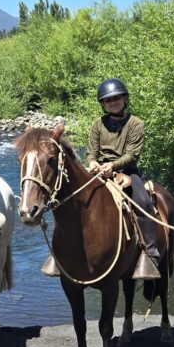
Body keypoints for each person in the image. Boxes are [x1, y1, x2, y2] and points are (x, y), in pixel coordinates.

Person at [41, 78, 161, 279]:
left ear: (125, 99)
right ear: (103, 104)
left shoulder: (136, 124)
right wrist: (93, 162)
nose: (113, 102)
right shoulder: (98, 124)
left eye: (116, 98)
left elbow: (132, 154)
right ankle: (59, 252)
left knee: (143, 202)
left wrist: (112, 165)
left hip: (127, 171)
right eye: (108, 100)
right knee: (65, 198)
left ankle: (150, 253)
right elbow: (91, 151)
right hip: (98, 170)